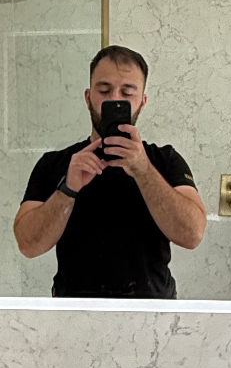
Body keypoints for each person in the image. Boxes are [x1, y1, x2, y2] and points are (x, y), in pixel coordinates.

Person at [13, 45, 206, 298]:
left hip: (151, 311)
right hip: (74, 310)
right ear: (88, 97)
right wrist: (67, 189)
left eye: (127, 92)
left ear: (142, 102)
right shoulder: (56, 164)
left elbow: (192, 234)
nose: (114, 99)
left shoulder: (166, 160)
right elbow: (28, 244)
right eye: (104, 90)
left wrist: (143, 170)